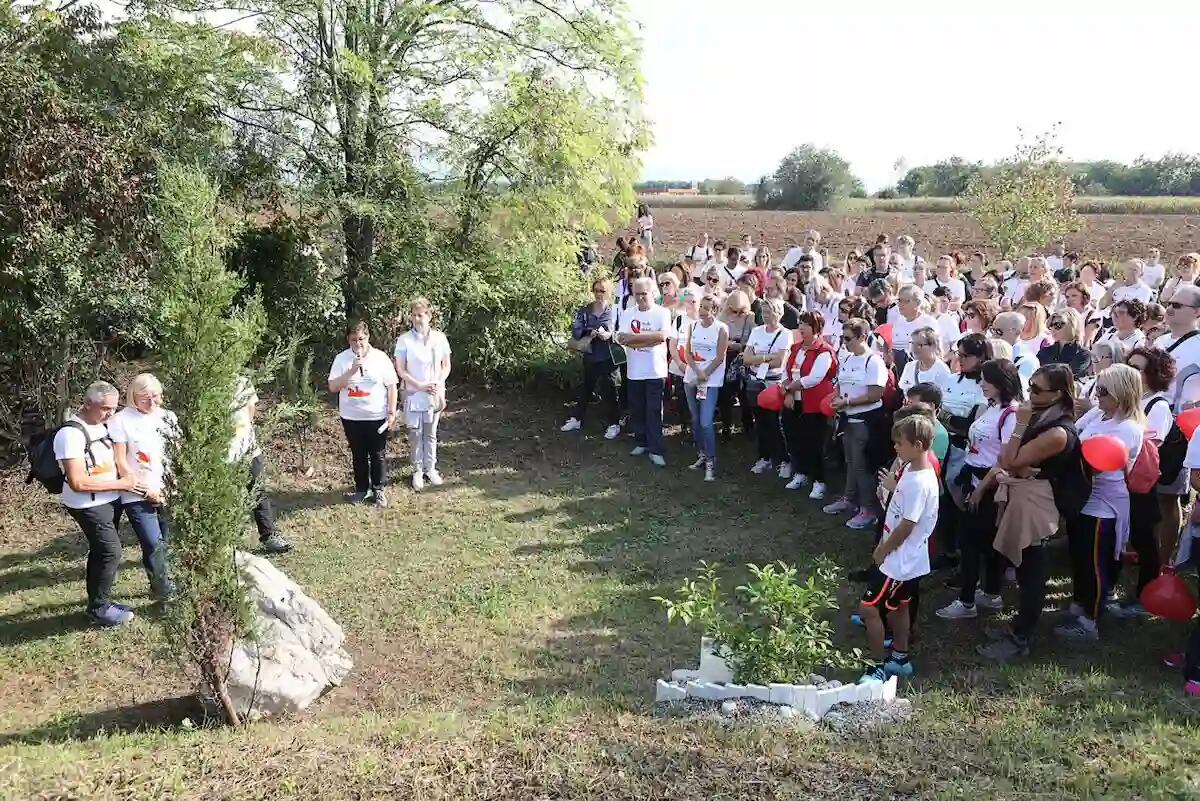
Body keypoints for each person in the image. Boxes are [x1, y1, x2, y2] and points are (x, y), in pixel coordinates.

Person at [978, 365, 1083, 661]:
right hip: (1025, 496)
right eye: (1030, 386)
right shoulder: (1040, 417)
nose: (1030, 394)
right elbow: (1006, 458)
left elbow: (1008, 460)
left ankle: (1021, 638)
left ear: (1058, 394)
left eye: (1037, 389)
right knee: (1023, 567)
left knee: (1032, 571)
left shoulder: (1058, 431)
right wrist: (1016, 459)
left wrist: (1021, 426)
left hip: (1039, 505)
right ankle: (1017, 629)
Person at [1058, 364, 1145, 642]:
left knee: (1095, 561)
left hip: (1103, 503)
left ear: (1121, 393)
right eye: (1098, 388)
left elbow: (1096, 463)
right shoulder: (1099, 413)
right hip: (1080, 496)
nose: (1098, 396)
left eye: (1104, 391)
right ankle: (1081, 600)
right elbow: (1073, 435)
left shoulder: (1128, 428)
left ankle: (1090, 618)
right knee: (1080, 556)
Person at [54, 381, 148, 626]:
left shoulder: (102, 426)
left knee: (101, 552)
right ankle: (98, 610)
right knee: (110, 552)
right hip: (88, 505)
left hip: (109, 501)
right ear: (87, 404)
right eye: (105, 409)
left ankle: (101, 602)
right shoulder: (70, 434)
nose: (110, 414)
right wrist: (121, 485)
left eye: (114, 409)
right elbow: (78, 482)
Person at [936, 359, 1021, 621]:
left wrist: (982, 489)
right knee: (978, 540)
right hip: (973, 476)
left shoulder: (1011, 414)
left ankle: (968, 600)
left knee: (974, 542)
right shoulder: (992, 407)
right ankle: (989, 593)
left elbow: (1005, 459)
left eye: (987, 379)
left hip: (989, 483)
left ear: (1001, 382)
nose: (981, 384)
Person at [858, 414, 940, 683]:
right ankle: (900, 658)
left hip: (897, 560)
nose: (895, 448)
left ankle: (877, 665)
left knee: (869, 608)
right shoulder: (915, 470)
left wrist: (883, 550)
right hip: (911, 558)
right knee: (899, 606)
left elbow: (906, 525)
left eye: (899, 443)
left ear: (918, 445)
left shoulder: (918, 482)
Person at [1111, 346, 1174, 617]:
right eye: (1130, 366)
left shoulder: (1157, 405)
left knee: (1143, 539)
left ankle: (1145, 597)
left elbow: (1150, 444)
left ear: (1153, 373)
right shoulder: (1127, 400)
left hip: (1138, 484)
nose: (1132, 372)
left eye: (1139, 368)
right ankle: (1109, 590)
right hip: (1116, 480)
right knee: (1117, 536)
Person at [108, 373, 175, 602]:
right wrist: (144, 489)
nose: (151, 402)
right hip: (136, 493)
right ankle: (165, 591)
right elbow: (120, 461)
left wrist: (169, 489)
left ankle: (159, 584)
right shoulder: (120, 420)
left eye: (155, 396)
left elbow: (175, 455)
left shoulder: (168, 417)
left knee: (166, 542)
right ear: (133, 396)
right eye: (145, 397)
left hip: (168, 490)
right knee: (152, 542)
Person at [824, 318, 888, 530]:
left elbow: (876, 394)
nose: (844, 342)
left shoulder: (874, 361)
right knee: (851, 462)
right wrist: (836, 398)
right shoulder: (848, 358)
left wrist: (848, 401)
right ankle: (849, 499)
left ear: (863, 337)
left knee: (862, 466)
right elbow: (840, 384)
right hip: (847, 419)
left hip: (865, 421)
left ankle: (868, 509)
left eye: (849, 338)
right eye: (843, 338)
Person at [1153, 285, 1200, 564]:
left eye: (1178, 305)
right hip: (1153, 422)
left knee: (1168, 496)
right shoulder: (1158, 343)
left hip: (1182, 430)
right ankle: (1146, 550)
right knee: (1149, 492)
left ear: (1196, 312)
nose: (1170, 308)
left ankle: (1164, 559)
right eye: (1169, 303)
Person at [330, 320, 398, 505]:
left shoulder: (380, 357)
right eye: (353, 340)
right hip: (351, 416)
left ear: (368, 337)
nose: (358, 343)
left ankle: (379, 489)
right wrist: (352, 370)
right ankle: (361, 490)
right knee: (358, 454)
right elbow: (333, 386)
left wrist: (391, 412)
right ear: (348, 340)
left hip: (376, 415)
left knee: (378, 454)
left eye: (361, 339)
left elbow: (392, 386)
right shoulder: (341, 359)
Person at [394, 298, 452, 492]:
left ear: (429, 316)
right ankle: (417, 470)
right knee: (415, 433)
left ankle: (431, 468)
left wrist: (437, 382)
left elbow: (446, 365)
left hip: (434, 393)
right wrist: (419, 384)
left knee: (431, 433)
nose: (417, 319)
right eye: (414, 315)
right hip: (413, 392)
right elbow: (401, 370)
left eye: (421, 315)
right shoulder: (404, 340)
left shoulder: (439, 338)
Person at [228, 375, 291, 553]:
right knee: (229, 495)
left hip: (249, 450)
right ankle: (229, 538)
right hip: (224, 455)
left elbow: (251, 410)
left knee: (258, 491)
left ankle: (269, 535)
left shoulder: (242, 381)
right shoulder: (210, 383)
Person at [616, 277, 672, 466]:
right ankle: (642, 442)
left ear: (653, 294)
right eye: (637, 294)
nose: (640, 298)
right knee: (638, 409)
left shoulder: (662, 313)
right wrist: (649, 339)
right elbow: (622, 338)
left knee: (654, 410)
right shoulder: (628, 313)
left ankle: (656, 449)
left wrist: (635, 340)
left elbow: (662, 336)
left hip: (655, 371)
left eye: (644, 294)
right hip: (635, 371)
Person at [782, 311, 837, 498]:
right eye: (800, 323)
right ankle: (801, 472)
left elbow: (813, 378)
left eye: (806, 324)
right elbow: (786, 371)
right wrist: (786, 389)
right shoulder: (796, 348)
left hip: (814, 404)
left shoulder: (824, 351)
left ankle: (819, 481)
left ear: (816, 328)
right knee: (794, 438)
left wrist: (789, 388)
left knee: (814, 442)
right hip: (794, 401)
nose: (801, 328)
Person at [561, 278, 621, 440]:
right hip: (590, 354)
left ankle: (613, 424)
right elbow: (576, 330)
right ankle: (577, 419)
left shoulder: (615, 310)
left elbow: (620, 331)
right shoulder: (585, 310)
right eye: (596, 290)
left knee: (610, 391)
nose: (599, 294)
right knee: (585, 389)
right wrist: (590, 332)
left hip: (608, 356)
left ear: (609, 292)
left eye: (603, 290)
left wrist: (608, 335)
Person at [744, 298, 794, 477]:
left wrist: (759, 358)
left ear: (779, 314)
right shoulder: (756, 331)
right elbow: (746, 358)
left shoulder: (786, 334)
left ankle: (783, 460)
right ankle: (764, 457)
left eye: (769, 313)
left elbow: (779, 361)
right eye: (763, 313)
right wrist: (766, 358)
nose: (765, 316)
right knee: (760, 422)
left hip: (773, 382)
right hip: (755, 380)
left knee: (774, 423)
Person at [683, 295, 728, 482]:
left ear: (715, 310)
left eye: (706, 307)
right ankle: (701, 453)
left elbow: (720, 356)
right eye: (701, 306)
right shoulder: (692, 326)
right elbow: (687, 352)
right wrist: (695, 370)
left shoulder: (721, 329)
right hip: (691, 378)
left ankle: (711, 459)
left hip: (710, 381)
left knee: (705, 421)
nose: (701, 310)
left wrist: (705, 373)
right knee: (695, 419)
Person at [717, 291, 756, 438]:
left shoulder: (750, 318)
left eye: (740, 311)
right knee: (725, 392)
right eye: (733, 310)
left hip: (742, 356)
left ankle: (748, 424)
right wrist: (728, 343)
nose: (737, 313)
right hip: (726, 356)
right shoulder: (722, 316)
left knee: (744, 392)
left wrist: (740, 345)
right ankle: (727, 424)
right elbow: (716, 336)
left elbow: (753, 338)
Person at [1037, 308, 1091, 380]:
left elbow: (1067, 376)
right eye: (1051, 325)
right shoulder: (1044, 352)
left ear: (1072, 325)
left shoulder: (1083, 354)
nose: (1053, 329)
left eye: (1057, 325)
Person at [899, 327, 952, 392]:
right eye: (913, 343)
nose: (914, 348)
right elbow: (903, 390)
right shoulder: (909, 366)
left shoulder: (942, 370)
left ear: (933, 346)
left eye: (919, 344)